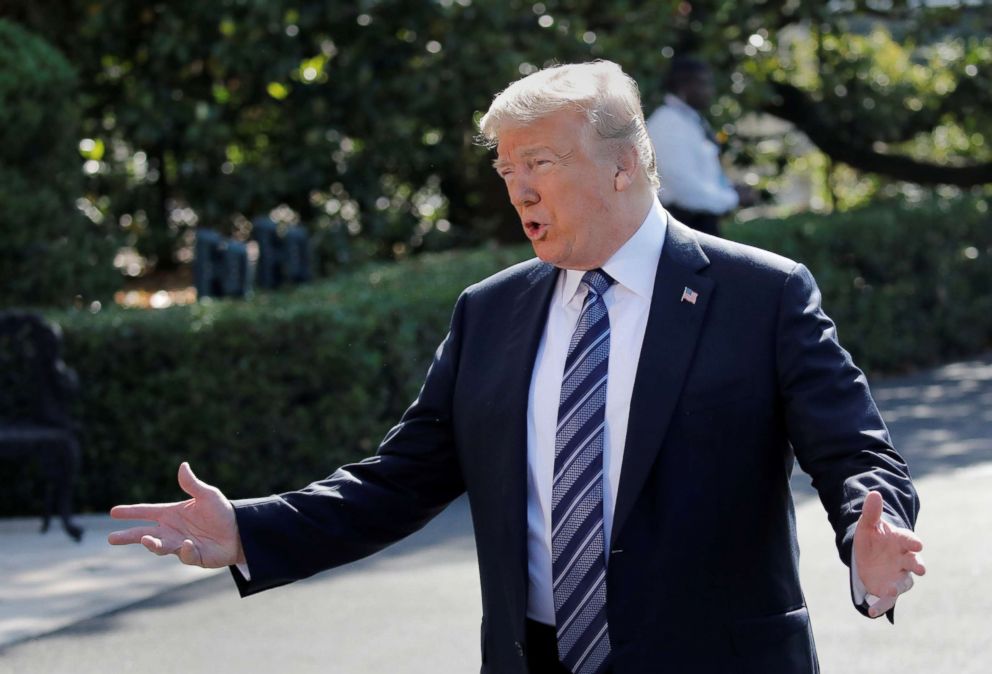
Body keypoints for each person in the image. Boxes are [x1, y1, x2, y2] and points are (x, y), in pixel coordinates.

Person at [110, 60, 924, 674]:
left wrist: (868, 525)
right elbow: (400, 478)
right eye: (506, 170)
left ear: (622, 166)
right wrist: (251, 528)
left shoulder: (760, 295)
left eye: (539, 163)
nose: (518, 191)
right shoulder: (490, 311)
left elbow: (854, 451)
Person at [645, 56, 756, 236]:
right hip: (682, 227)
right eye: (704, 84)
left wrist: (727, 189)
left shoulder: (689, 120)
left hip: (700, 225)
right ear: (684, 86)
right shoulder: (668, 123)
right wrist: (732, 198)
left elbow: (702, 176)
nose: (710, 91)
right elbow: (686, 190)